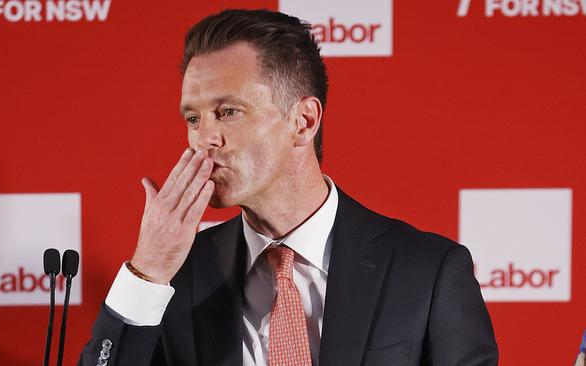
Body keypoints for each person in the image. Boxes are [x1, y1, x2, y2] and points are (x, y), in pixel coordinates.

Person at [79, 9, 498, 366]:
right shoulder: (173, 275)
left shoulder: (428, 270)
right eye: (193, 118)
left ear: (304, 121)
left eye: (227, 111)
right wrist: (148, 270)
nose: (203, 139)